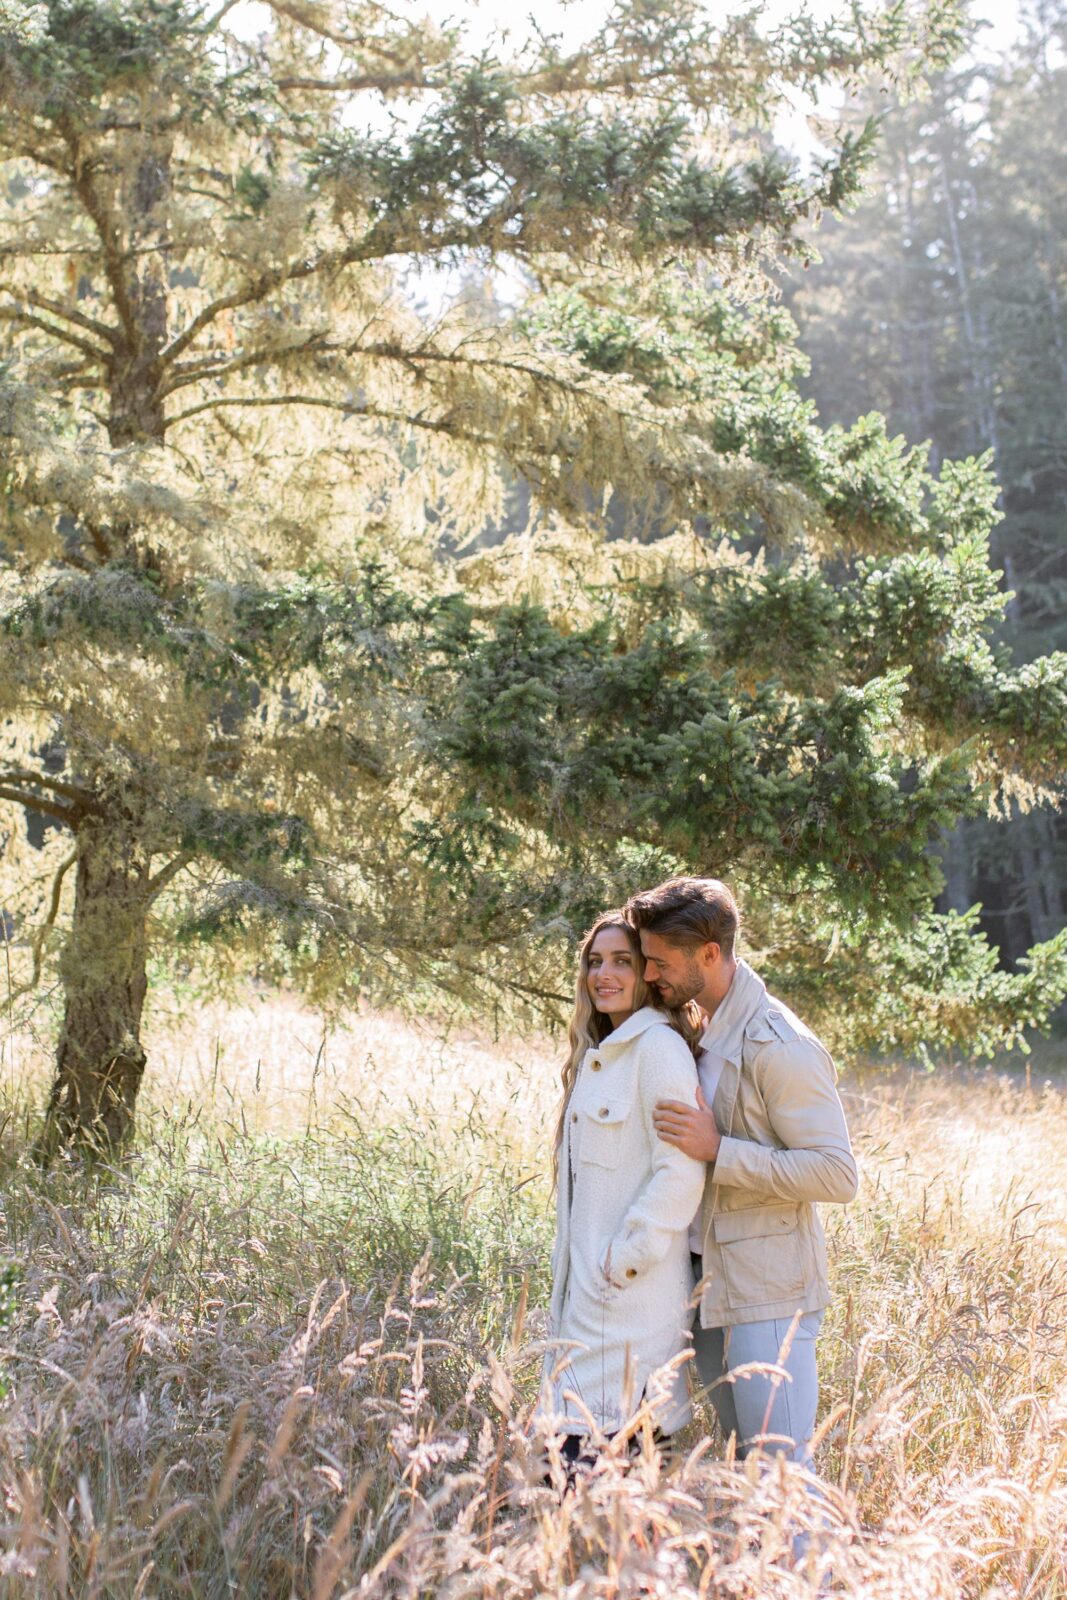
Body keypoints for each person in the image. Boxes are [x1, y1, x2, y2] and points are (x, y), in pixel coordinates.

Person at [625, 877, 858, 1472]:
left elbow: (837, 1175)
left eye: (659, 961)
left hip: (768, 1294)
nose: (650, 975)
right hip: (707, 1285)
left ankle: (817, 1570)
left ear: (709, 955)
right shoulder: (698, 1026)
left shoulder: (780, 1044)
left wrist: (719, 1150)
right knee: (743, 1467)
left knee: (782, 1471)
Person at [537, 911, 707, 1464]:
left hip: (628, 1303)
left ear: (647, 975)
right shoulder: (601, 1055)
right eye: (594, 961)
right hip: (584, 1304)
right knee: (578, 1483)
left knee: (602, 1469)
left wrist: (623, 1259)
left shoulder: (657, 1049)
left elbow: (681, 1169)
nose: (602, 974)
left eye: (622, 962)